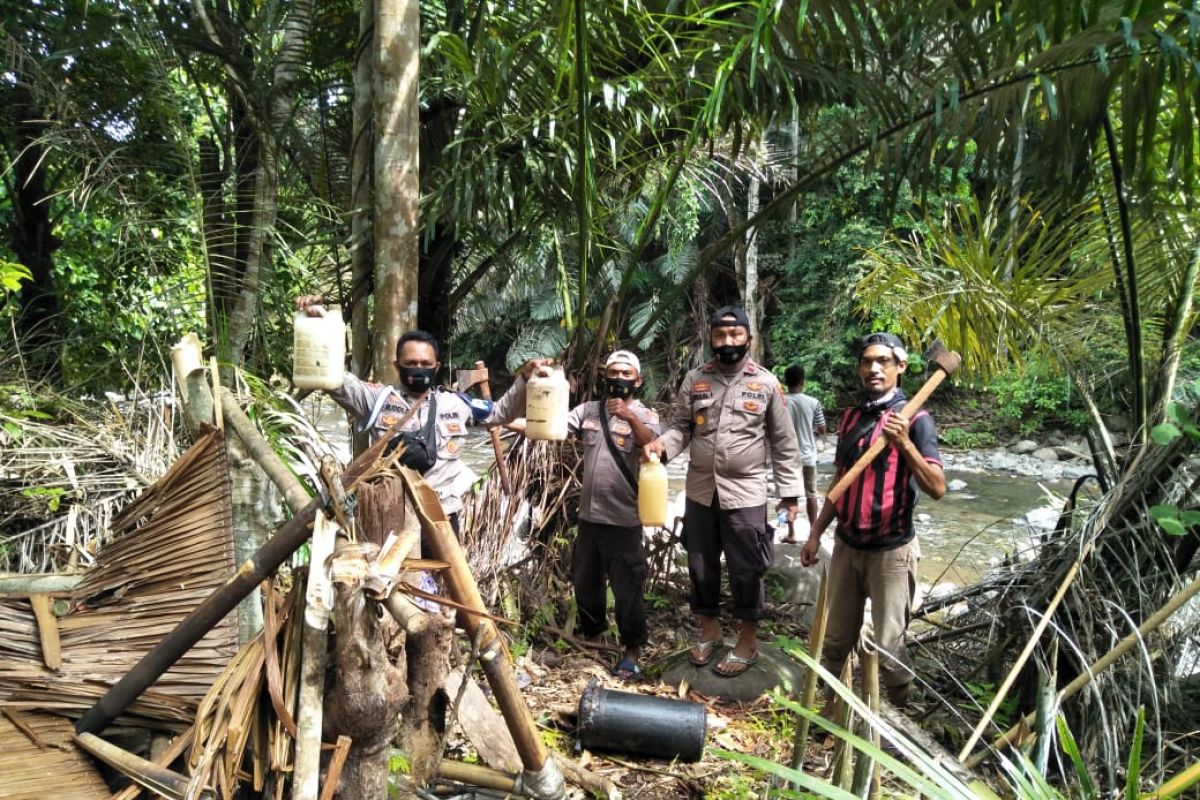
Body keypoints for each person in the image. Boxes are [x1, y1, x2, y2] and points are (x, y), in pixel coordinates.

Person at [644, 306, 803, 677]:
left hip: (747, 493)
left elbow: (784, 442)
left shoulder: (765, 383)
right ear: (711, 338)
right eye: (720, 335)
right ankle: (709, 631)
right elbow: (682, 428)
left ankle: (747, 641)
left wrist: (790, 496)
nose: (727, 341)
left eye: (735, 334)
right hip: (701, 490)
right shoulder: (695, 380)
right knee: (700, 563)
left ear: (748, 337)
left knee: (747, 568)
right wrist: (662, 446)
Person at [295, 296, 544, 533]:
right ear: (397, 366)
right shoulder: (376, 400)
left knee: (446, 579)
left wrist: (524, 378)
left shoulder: (455, 404)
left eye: (426, 364)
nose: (419, 369)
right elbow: (334, 380)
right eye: (411, 363)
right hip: (391, 517)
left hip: (442, 517)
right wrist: (318, 324)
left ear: (436, 367)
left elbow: (500, 413)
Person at [799, 332, 946, 707]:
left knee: (890, 647)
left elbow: (938, 487)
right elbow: (840, 480)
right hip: (848, 545)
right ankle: (830, 714)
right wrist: (816, 533)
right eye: (866, 361)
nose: (873, 368)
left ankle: (898, 722)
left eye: (883, 361)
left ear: (902, 366)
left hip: (891, 551)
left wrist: (905, 445)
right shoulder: (851, 417)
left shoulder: (918, 420)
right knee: (835, 642)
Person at [564, 350, 660, 680]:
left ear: (638, 380)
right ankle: (593, 638)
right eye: (613, 372)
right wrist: (518, 421)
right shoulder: (589, 411)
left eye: (625, 373)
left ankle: (632, 650)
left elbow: (654, 446)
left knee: (628, 589)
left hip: (625, 521)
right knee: (585, 583)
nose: (618, 378)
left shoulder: (646, 415)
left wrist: (629, 417)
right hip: (590, 518)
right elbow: (556, 426)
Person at [782, 364, 827, 543]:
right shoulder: (813, 402)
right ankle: (813, 533)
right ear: (802, 382)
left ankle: (792, 533)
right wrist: (816, 433)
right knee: (811, 494)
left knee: (788, 495)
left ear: (786, 382)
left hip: (786, 457)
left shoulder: (780, 402)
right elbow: (822, 428)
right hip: (808, 456)